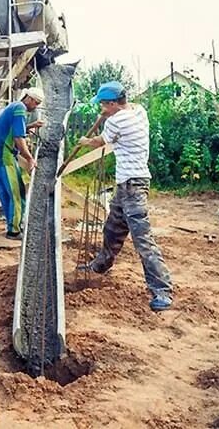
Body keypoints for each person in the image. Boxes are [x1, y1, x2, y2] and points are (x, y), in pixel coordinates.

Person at [76, 81, 173, 311]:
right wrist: (109, 110)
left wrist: (85, 141)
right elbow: (130, 107)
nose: (101, 108)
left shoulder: (117, 120)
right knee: (112, 228)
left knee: (142, 239)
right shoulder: (138, 112)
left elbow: (99, 141)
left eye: (103, 104)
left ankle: (162, 290)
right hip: (126, 185)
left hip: (133, 185)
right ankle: (101, 264)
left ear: (112, 103)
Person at [0, 87, 45, 239]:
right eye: (36, 103)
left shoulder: (13, 106)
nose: (36, 106)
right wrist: (30, 158)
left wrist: (31, 126)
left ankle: (12, 224)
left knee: (6, 192)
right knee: (17, 192)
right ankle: (14, 230)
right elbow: (19, 139)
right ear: (30, 99)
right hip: (4, 156)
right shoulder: (20, 109)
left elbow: (11, 129)